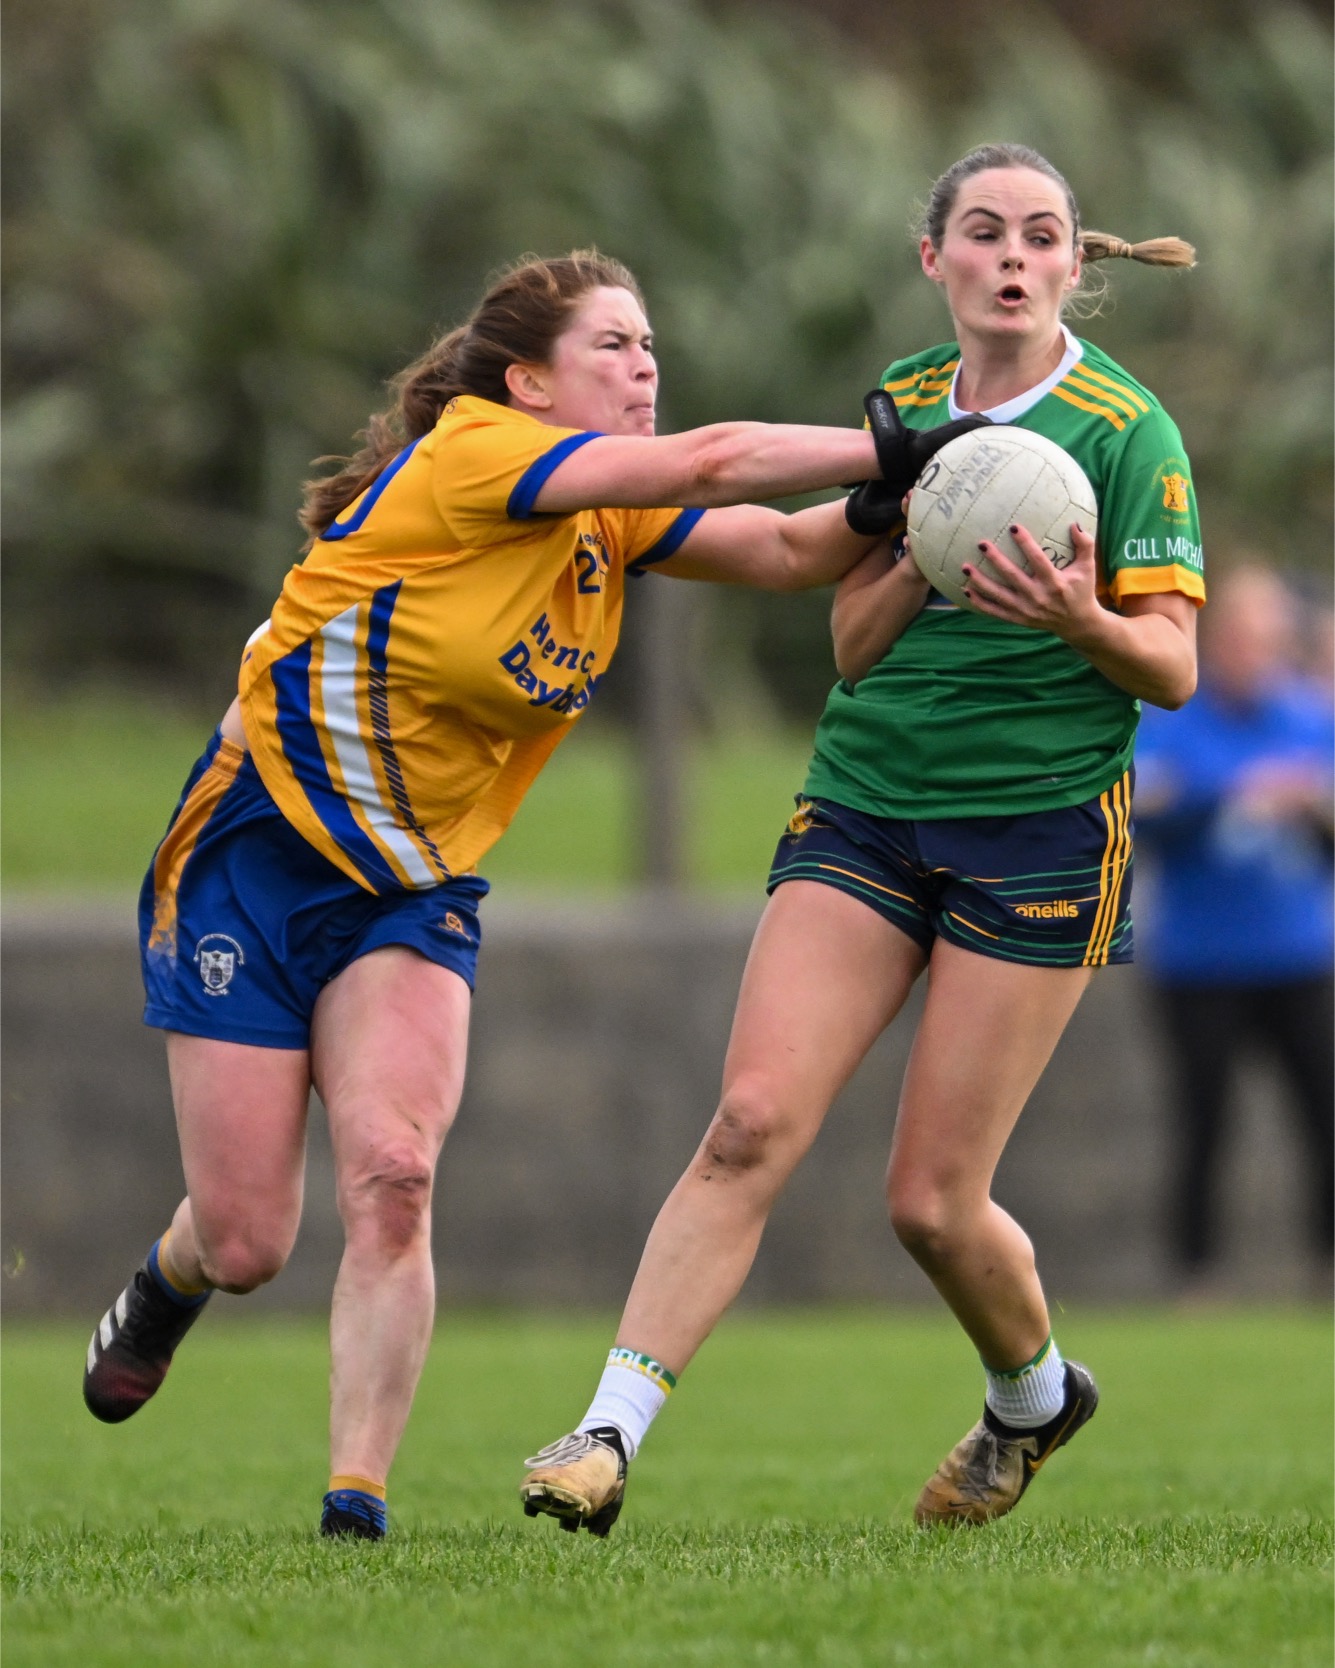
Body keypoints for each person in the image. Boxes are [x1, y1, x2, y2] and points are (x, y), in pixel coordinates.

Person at [80, 249, 990, 1541]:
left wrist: (898, 504)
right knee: (245, 1242)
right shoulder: (473, 454)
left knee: (395, 1176)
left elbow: (788, 547)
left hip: (414, 887)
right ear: (526, 383)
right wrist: (899, 443)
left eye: (650, 344)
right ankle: (171, 1279)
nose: (644, 366)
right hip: (254, 855)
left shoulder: (608, 516)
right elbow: (711, 462)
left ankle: (353, 1508)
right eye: (612, 345)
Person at [521, 145, 1202, 1536]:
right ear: (933, 258)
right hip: (866, 801)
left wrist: (1077, 619)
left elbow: (1174, 667)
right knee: (748, 1123)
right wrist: (923, 543)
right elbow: (845, 640)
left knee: (931, 1206)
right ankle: (604, 1436)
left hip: (1040, 829)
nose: (1011, 258)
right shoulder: (904, 401)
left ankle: (1031, 1397)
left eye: (1040, 236)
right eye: (983, 232)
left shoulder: (1129, 431)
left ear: (1073, 264)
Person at [1135, 562, 1333, 1294]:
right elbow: (1143, 807)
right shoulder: (1171, 715)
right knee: (1203, 1122)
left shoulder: (1311, 717)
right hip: (1200, 960)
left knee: (1324, 1116)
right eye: (1243, 637)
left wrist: (1309, 804)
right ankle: (1196, 1276)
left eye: (1269, 638)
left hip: (1299, 953)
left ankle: (1325, 1265)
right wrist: (1230, 792)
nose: (1256, 652)